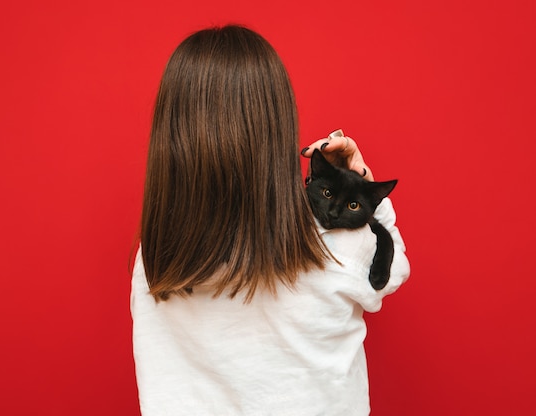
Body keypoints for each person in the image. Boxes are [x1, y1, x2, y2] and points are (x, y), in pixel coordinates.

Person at [131, 24, 410, 416]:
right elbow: (394, 267)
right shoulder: (338, 249)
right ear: (277, 131)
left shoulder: (155, 259)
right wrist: (362, 183)